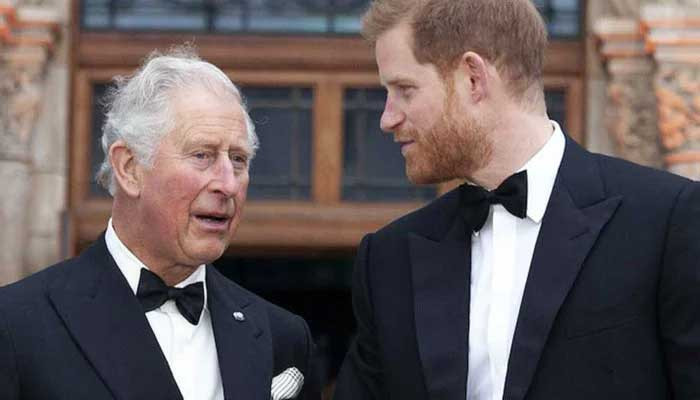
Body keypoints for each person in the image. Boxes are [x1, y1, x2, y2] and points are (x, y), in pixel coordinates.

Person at [334, 1, 700, 399]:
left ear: (473, 78)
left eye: (404, 90)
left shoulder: (666, 223)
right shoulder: (388, 259)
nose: (387, 118)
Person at [0, 48, 319, 400]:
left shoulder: (282, 339)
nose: (228, 184)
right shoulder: (16, 325)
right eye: (202, 155)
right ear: (129, 168)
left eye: (239, 160)